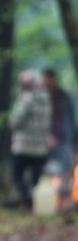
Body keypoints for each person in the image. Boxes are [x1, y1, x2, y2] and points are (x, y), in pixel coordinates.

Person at [9, 70, 52, 212]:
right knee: (36, 179)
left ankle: (28, 202)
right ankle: (37, 205)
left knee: (17, 175)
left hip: (23, 147)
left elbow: (16, 121)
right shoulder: (46, 98)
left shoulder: (26, 98)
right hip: (40, 148)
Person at [42, 68, 76, 212]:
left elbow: (71, 119)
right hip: (46, 139)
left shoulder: (64, 97)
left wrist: (74, 140)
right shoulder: (41, 97)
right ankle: (48, 203)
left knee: (67, 169)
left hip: (64, 138)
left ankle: (66, 201)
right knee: (47, 171)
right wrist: (46, 136)